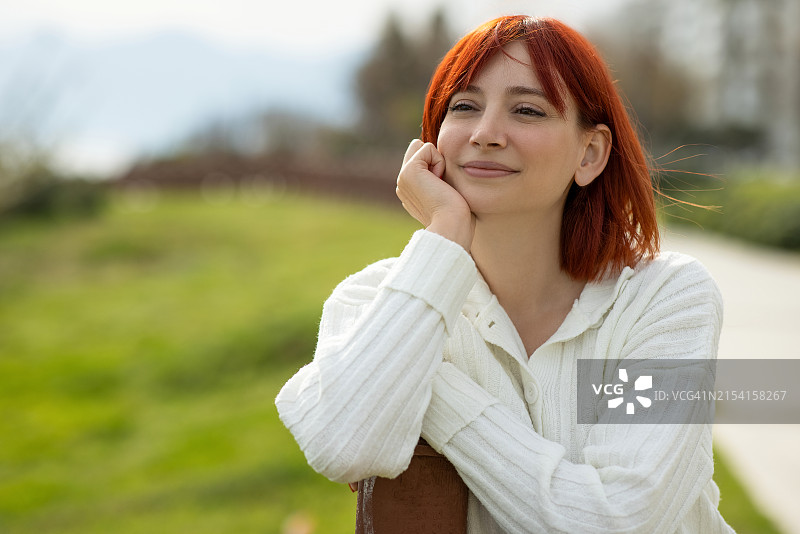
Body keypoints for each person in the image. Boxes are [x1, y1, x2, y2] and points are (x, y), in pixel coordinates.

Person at [276, 15, 734, 533]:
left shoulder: (663, 300)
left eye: (527, 110)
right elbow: (344, 446)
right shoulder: (371, 300)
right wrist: (445, 231)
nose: (486, 134)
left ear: (590, 153)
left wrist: (430, 389)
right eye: (464, 106)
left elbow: (616, 520)